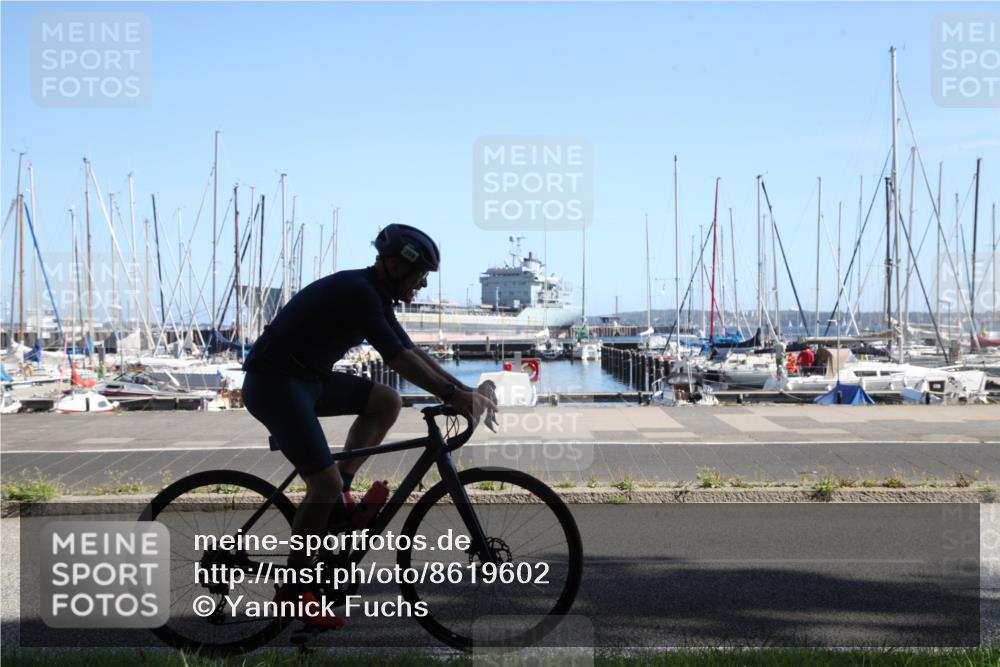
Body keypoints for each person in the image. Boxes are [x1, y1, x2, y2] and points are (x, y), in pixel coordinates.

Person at [242, 223, 496, 628]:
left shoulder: (375, 293)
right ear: (395, 265)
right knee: (321, 485)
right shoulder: (359, 292)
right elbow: (397, 358)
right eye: (420, 274)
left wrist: (462, 390)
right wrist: (452, 395)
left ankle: (341, 498)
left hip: (307, 380)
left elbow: (411, 350)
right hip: (274, 384)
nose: (423, 284)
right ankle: (293, 591)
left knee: (386, 401)